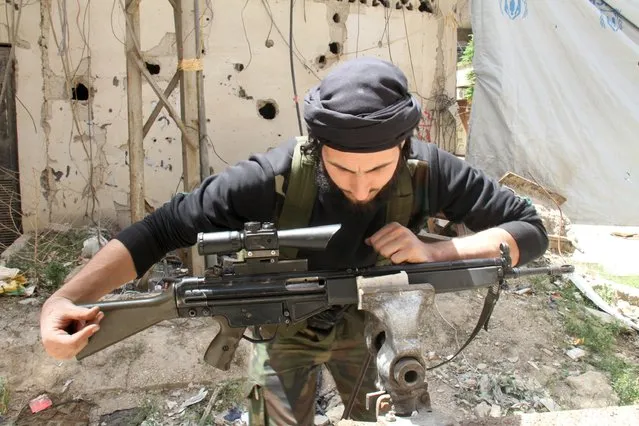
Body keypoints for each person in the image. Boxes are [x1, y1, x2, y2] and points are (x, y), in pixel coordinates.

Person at [40, 57, 548, 424]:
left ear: (403, 144)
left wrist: (437, 250)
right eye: (342, 168)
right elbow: (158, 231)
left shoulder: (430, 170)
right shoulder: (270, 178)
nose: (360, 185)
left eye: (377, 169)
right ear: (318, 144)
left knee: (380, 415)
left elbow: (529, 230)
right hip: (284, 323)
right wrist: (66, 299)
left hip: (372, 316)